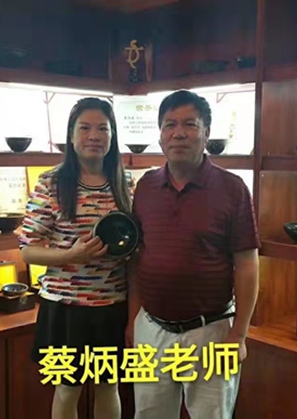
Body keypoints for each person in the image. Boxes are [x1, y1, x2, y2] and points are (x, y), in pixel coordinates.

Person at [127, 90, 259, 419]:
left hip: (212, 333)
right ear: (160, 134)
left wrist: (239, 334)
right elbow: (137, 258)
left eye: (190, 124)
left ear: (206, 133)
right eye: (170, 124)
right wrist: (133, 321)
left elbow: (247, 265)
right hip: (151, 330)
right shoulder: (145, 186)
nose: (179, 133)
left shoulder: (232, 188)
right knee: (149, 414)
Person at [19, 97, 134, 419]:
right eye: (84, 128)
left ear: (112, 136)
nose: (93, 136)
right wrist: (72, 255)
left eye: (102, 129)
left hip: (113, 304)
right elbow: (27, 248)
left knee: (109, 386)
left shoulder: (125, 182)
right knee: (67, 389)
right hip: (66, 307)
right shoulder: (51, 182)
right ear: (71, 135)